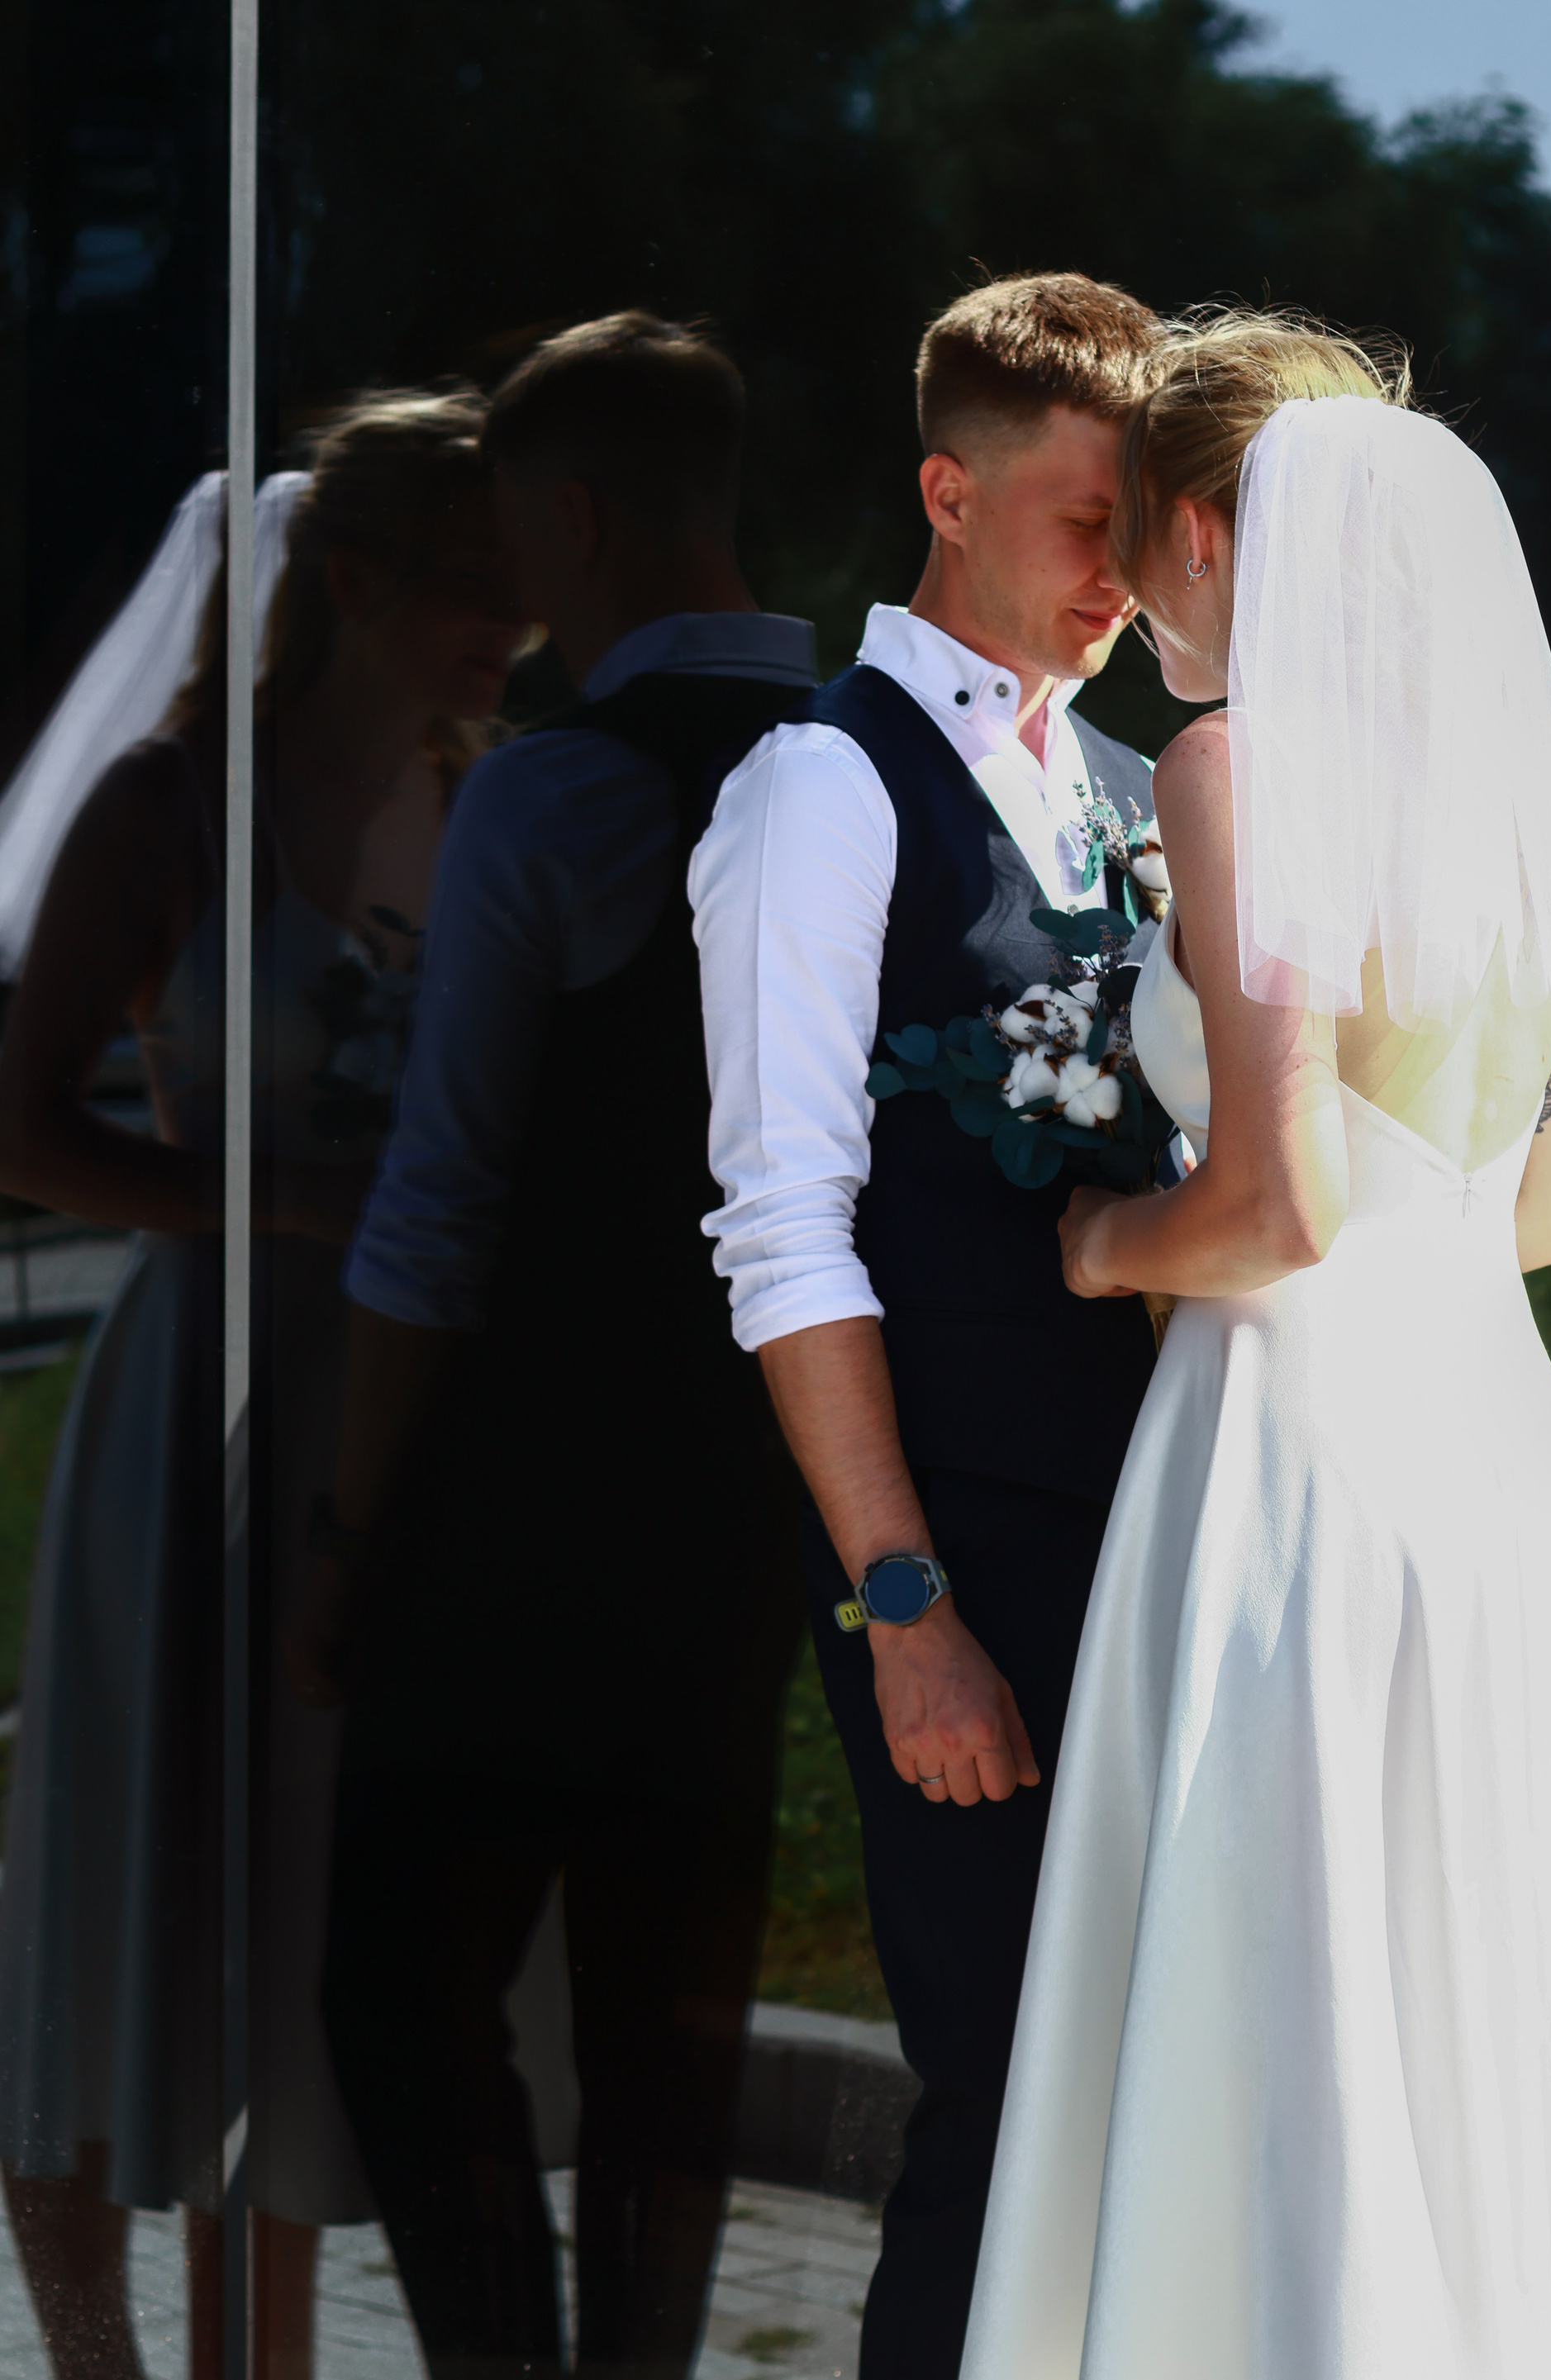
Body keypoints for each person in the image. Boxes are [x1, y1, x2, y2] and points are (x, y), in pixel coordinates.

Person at [959, 315, 1551, 2378]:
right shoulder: (1525, 802)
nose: (1133, 595)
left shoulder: (1239, 772)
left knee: (1285, 2009)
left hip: (1294, 1457)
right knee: (1459, 2011)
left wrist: (1096, 1244)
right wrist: (1429, 1257)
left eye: (1143, 541)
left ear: (1215, 533)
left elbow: (1276, 1207)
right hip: (1501, 1453)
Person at [290, 311, 816, 2379]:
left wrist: (350, 1535)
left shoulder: (557, 791)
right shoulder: (867, 762)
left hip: (521, 1515)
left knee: (398, 1995)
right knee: (666, 2040)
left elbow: (437, 1213)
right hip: (755, 1503)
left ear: (574, 516)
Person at [0, 390, 526, 2380]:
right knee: (124, 1905)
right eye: (473, 583)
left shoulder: (489, 799)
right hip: (200, 1403)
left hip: (397, 1407)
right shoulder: (168, 809)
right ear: (355, 580)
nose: (512, 624)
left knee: (299, 1939)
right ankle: (93, 2359)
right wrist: (289, 1199)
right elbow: (25, 1131)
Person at [688, 270, 1166, 2380]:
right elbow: (784, 1229)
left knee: (1144, 2102)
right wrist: (904, 1606)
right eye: (1084, 522)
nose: (1120, 574)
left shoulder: (1134, 786)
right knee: (1002, 2109)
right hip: (960, 1548)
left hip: (1156, 1526)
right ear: (947, 493)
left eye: (1143, 529)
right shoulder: (823, 786)